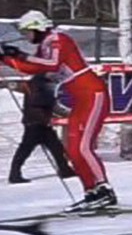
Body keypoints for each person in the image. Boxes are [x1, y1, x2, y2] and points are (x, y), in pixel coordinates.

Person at [2, 11, 113, 208]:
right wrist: (6, 59)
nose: (27, 36)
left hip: (92, 93)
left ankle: (104, 189)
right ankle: (91, 191)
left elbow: (54, 64)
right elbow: (34, 68)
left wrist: (20, 54)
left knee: (83, 147)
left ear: (39, 28)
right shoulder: (44, 45)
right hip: (79, 98)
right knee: (71, 149)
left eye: (28, 32)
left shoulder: (59, 38)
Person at [8, 73, 76, 183]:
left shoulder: (39, 84)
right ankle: (14, 174)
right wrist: (65, 113)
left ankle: (65, 170)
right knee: (25, 149)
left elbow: (50, 104)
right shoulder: (40, 85)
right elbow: (46, 103)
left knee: (56, 147)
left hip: (41, 122)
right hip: (36, 122)